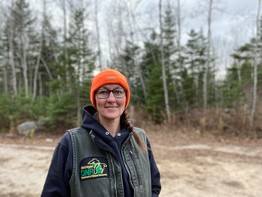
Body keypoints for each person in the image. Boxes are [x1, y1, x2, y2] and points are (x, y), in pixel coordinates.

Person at [41, 68, 161, 197]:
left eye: (118, 92)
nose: (111, 99)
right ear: (95, 98)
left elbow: (153, 187)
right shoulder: (72, 143)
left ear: (126, 98)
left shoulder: (140, 138)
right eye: (103, 92)